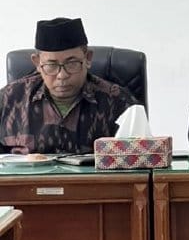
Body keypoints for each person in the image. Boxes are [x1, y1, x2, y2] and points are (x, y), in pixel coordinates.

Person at [0, 17, 137, 154]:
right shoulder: (8, 99)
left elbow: (138, 160)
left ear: (88, 58)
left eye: (72, 64)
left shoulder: (119, 102)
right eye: (51, 65)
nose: (62, 75)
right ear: (37, 63)